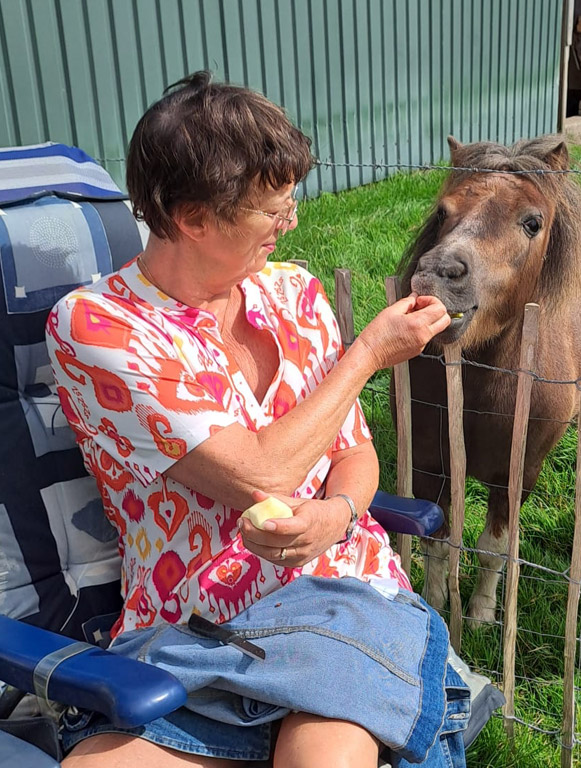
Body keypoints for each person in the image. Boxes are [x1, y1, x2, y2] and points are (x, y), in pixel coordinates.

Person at [46, 71, 457, 768]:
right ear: (192, 218)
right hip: (194, 628)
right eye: (272, 209)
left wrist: (338, 515)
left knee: (321, 759)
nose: (290, 221)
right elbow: (262, 475)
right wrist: (368, 355)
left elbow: (353, 451)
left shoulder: (295, 293)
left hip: (341, 597)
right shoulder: (100, 327)